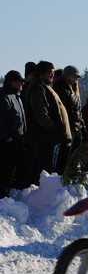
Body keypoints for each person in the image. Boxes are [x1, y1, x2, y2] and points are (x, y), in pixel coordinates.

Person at [24, 60, 71, 176]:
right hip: (45, 137)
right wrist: (53, 128)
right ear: (42, 73)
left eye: (53, 72)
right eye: (50, 72)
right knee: (46, 170)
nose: (52, 75)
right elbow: (41, 114)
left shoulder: (45, 87)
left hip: (50, 137)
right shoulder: (38, 89)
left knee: (50, 168)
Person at [1, 70, 28, 198]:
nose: (22, 84)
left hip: (18, 140)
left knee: (13, 170)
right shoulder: (5, 97)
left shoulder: (16, 96)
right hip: (8, 143)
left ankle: (8, 193)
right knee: (6, 170)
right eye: (20, 82)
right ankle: (3, 196)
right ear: (13, 83)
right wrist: (7, 137)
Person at [53, 65, 84, 174]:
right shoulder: (61, 89)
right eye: (74, 76)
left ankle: (70, 175)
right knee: (64, 155)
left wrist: (81, 124)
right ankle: (61, 176)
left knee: (75, 154)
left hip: (76, 126)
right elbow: (63, 109)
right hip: (68, 126)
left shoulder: (73, 89)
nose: (76, 79)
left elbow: (78, 109)